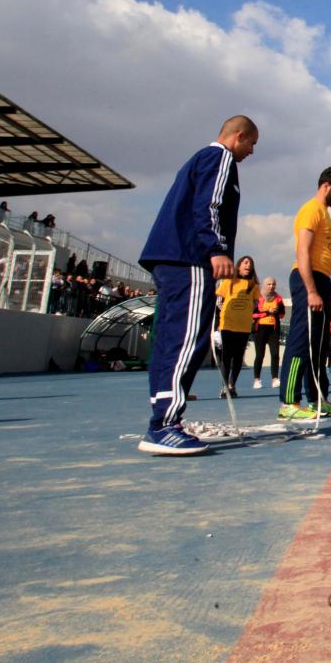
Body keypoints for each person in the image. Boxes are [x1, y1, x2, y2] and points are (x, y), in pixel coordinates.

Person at [137, 115, 258, 455]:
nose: (251, 152)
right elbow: (210, 204)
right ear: (239, 136)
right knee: (185, 339)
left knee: (170, 339)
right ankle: (165, 424)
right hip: (188, 258)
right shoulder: (219, 158)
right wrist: (216, 248)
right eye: (251, 144)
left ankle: (161, 419)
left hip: (172, 259)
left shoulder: (197, 159)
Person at [278, 166, 331, 421]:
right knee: (300, 342)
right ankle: (289, 402)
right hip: (305, 278)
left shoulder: (325, 214)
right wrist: (311, 290)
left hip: (321, 279)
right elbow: (303, 253)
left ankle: (318, 399)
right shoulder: (311, 209)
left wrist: (328, 290)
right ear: (326, 186)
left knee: (319, 347)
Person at [214, 255, 258, 397]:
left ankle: (232, 385)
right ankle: (224, 386)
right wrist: (219, 323)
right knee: (226, 356)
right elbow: (219, 302)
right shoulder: (228, 282)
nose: (248, 265)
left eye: (250, 263)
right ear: (238, 266)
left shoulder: (254, 285)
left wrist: (248, 312)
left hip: (244, 326)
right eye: (245, 263)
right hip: (227, 324)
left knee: (238, 357)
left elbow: (256, 304)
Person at [250, 276, 285, 390]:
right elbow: (253, 314)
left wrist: (276, 311)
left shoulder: (278, 298)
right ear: (265, 285)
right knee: (260, 354)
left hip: (273, 329)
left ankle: (275, 379)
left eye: (273, 284)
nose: (271, 286)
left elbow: (282, 314)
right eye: (269, 284)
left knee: (275, 354)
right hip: (260, 329)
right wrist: (266, 312)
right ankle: (256, 379)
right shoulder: (258, 297)